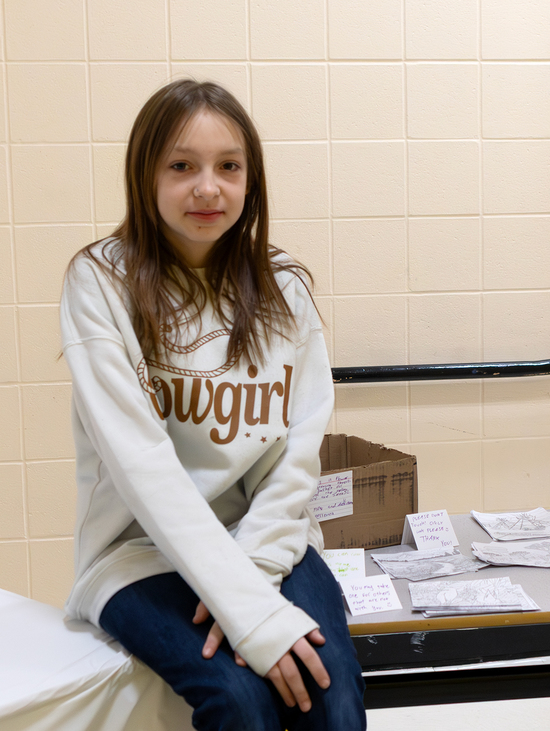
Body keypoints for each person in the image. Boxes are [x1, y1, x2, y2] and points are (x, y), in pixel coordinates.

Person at [59, 79, 366, 731]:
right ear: (145, 175)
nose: (208, 187)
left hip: (267, 538)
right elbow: (146, 468)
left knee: (332, 699)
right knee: (243, 700)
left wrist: (249, 577)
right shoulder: (100, 282)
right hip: (138, 552)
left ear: (250, 181)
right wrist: (247, 613)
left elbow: (297, 453)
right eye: (181, 166)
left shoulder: (284, 287)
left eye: (229, 166)